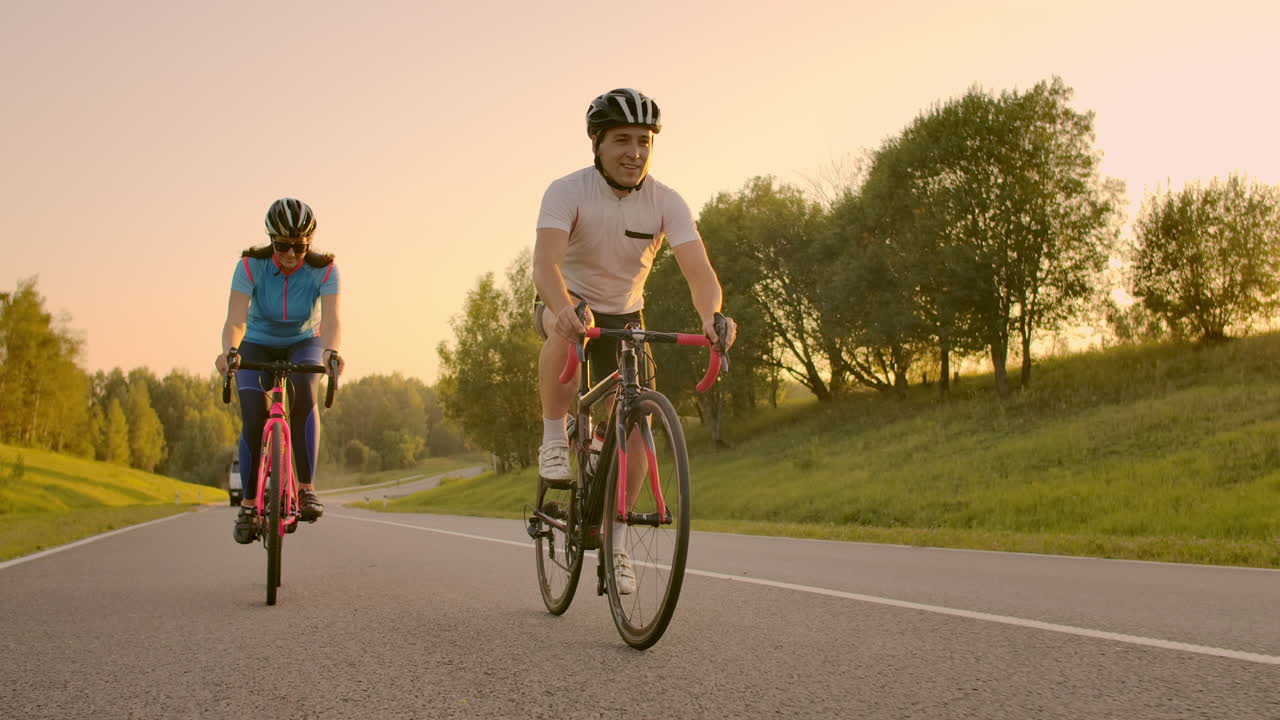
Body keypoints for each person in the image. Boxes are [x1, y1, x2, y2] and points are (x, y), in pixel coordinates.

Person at [532, 88, 737, 593]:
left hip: (627, 314)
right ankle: (555, 439)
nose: (635, 152)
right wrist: (564, 308)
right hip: (566, 299)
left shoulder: (666, 201)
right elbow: (545, 265)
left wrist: (713, 317)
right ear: (597, 144)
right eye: (622, 140)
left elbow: (699, 273)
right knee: (564, 335)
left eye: (644, 141)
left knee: (640, 421)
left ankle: (617, 542)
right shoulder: (567, 190)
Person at [215, 198, 345, 544]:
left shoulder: (325, 270)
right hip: (256, 341)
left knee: (304, 390)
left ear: (309, 244)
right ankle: (248, 504)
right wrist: (229, 351)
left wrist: (331, 353)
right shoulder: (249, 266)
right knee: (253, 415)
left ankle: (305, 489)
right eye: (282, 246)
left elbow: (331, 321)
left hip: (303, 341)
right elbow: (235, 320)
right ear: (271, 240)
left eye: (299, 247)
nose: (290, 255)